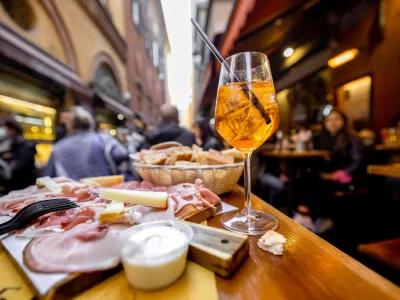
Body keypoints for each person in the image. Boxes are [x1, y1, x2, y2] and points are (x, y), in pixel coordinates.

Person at [293, 109, 363, 233]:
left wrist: (341, 173)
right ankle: (307, 216)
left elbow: (357, 161)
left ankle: (315, 218)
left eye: (337, 119)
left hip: (346, 177)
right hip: (327, 176)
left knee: (317, 183)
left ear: (344, 121)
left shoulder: (351, 138)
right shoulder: (323, 138)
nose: (333, 122)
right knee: (304, 178)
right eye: (329, 120)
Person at [44, 106, 128, 180]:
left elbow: (48, 177)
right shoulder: (103, 139)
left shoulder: (57, 147)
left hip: (73, 195)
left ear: (70, 125)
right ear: (90, 122)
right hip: (104, 193)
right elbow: (122, 154)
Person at [0, 117, 36, 194]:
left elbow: (15, 170)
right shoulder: (8, 144)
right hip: (11, 190)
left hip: (22, 191)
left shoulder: (24, 146)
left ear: (12, 130)